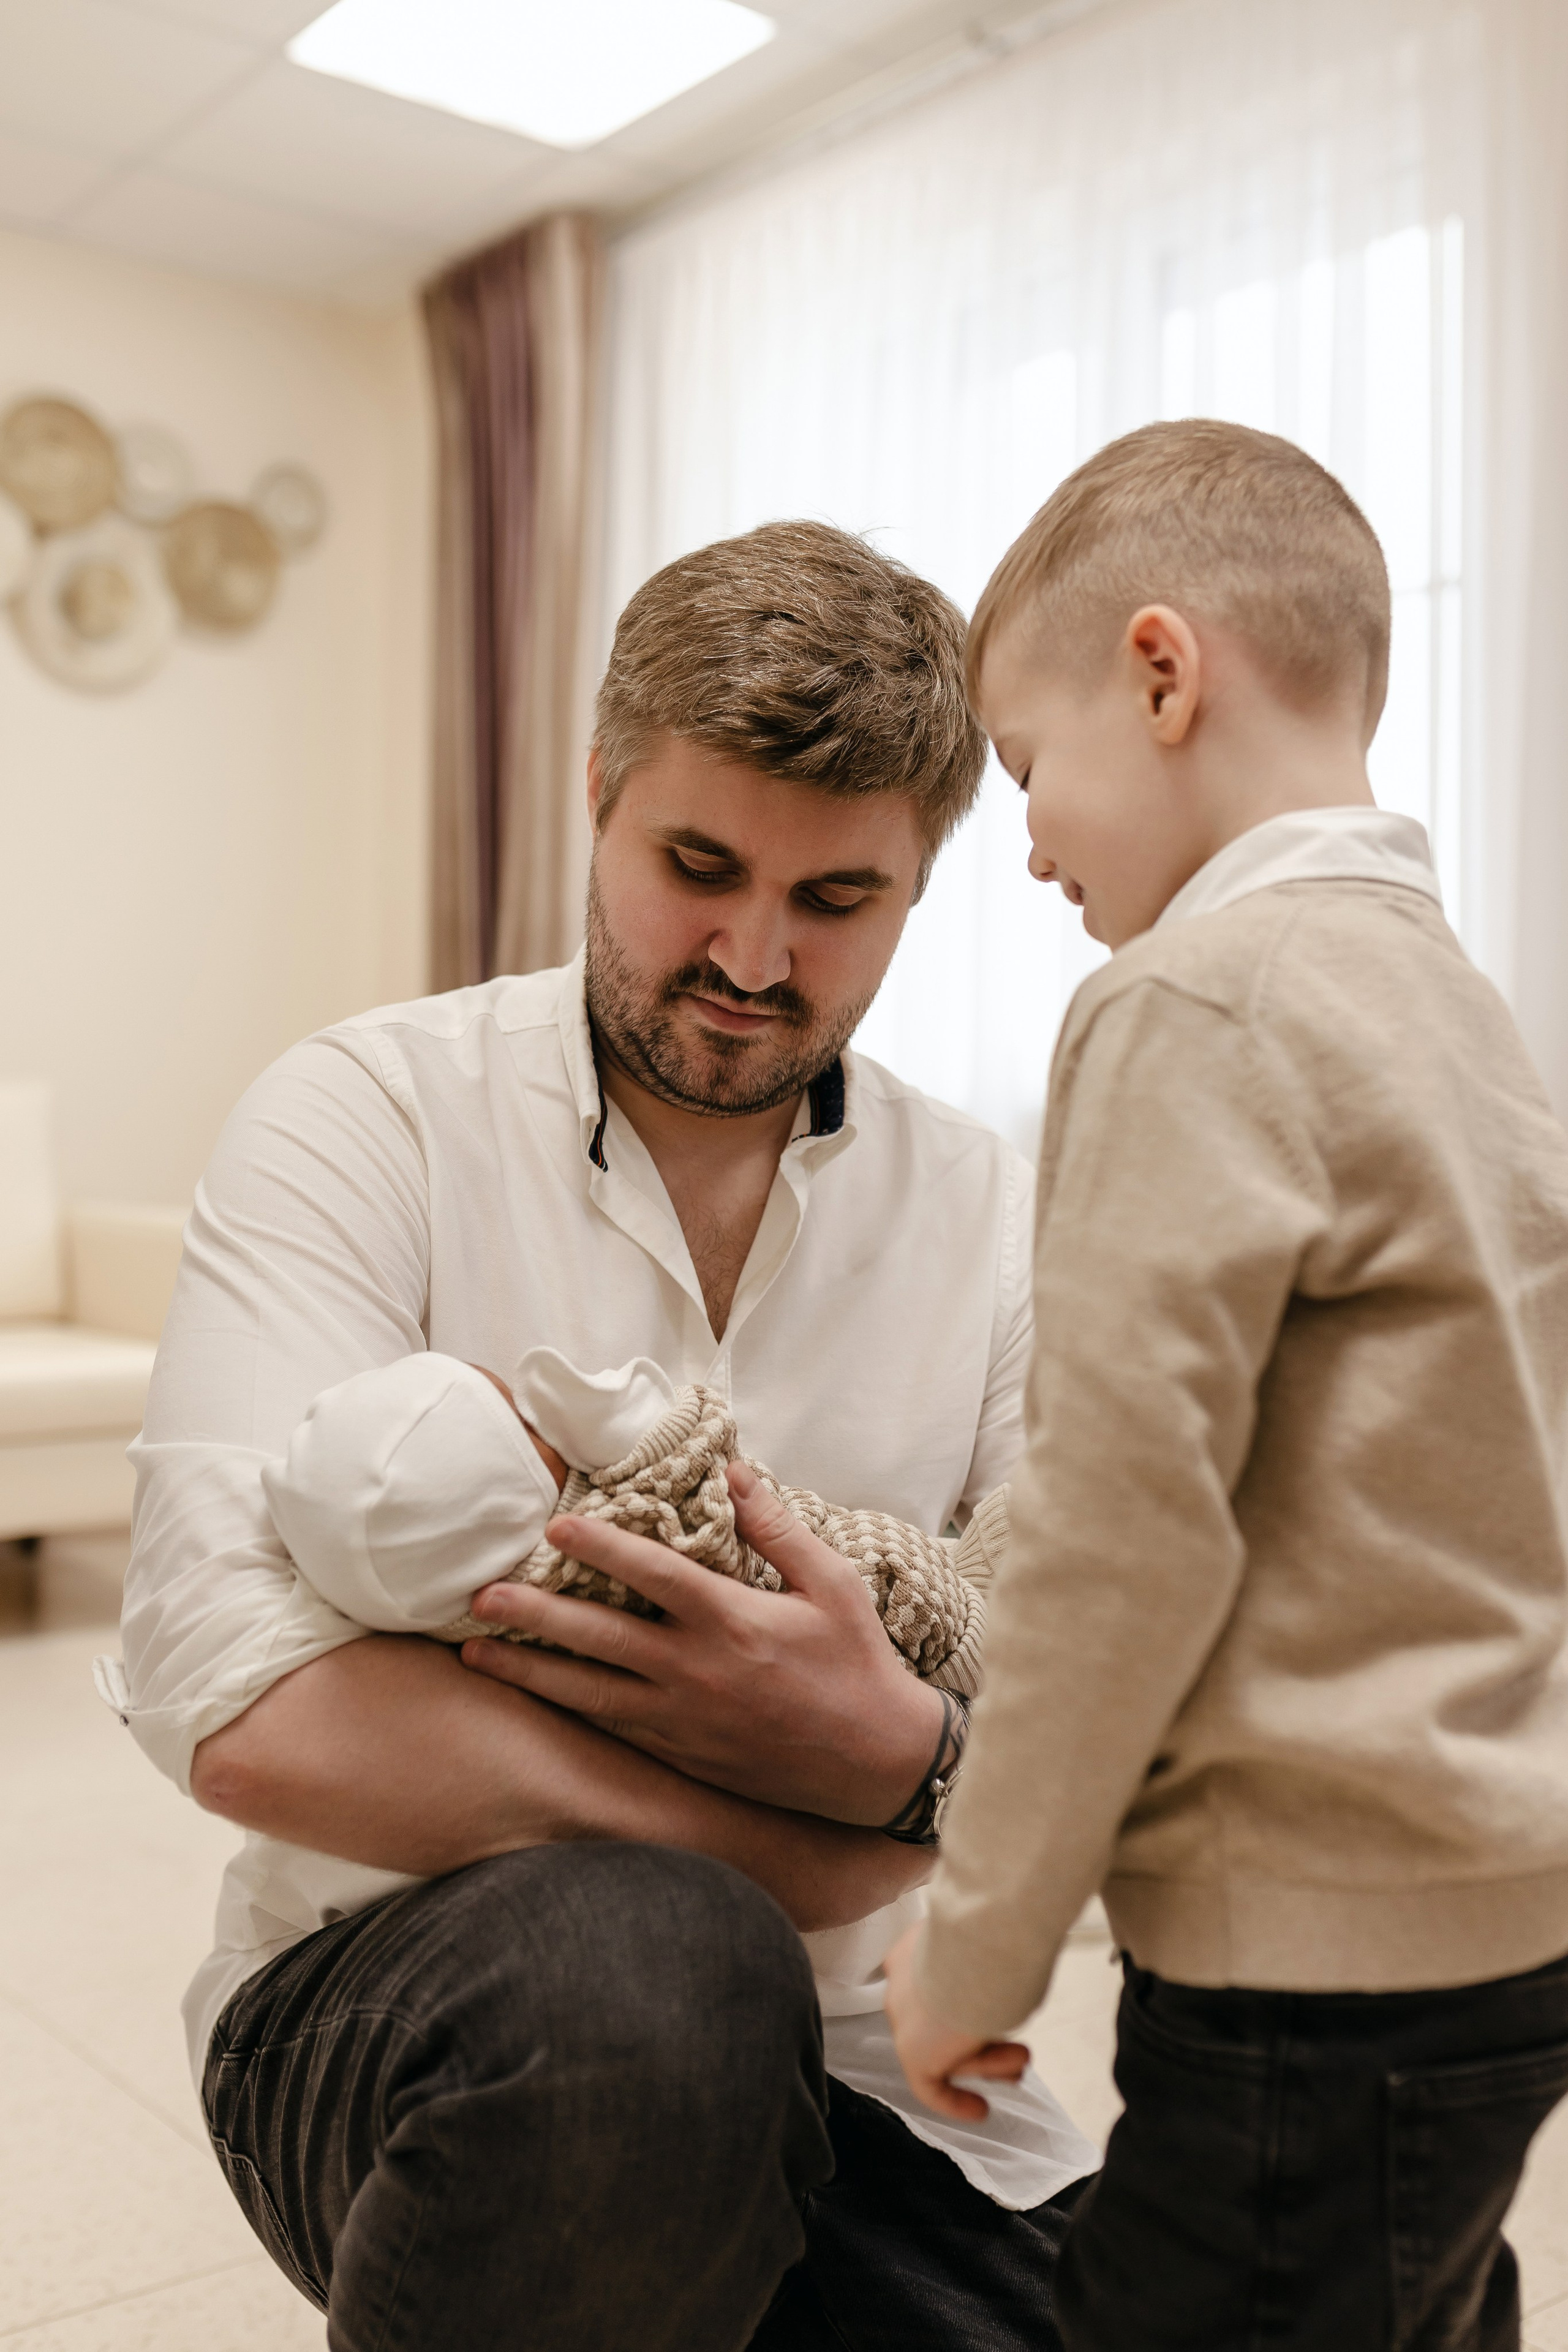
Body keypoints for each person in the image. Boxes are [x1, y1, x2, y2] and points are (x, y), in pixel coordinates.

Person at [106, 520, 1098, 2352]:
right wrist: (827, 1825)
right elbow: (239, 1707)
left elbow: (1080, 1718)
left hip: (890, 2070)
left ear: (921, 880)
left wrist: (906, 1770)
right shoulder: (367, 1115)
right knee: (663, 1973)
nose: (750, 954)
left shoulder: (999, 1220)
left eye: (837, 902)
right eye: (697, 865)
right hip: (403, 1998)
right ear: (596, 793)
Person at [883, 419, 1568, 2350]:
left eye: (1026, 766)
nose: (1020, 841)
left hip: (1309, 1943)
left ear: (1164, 674)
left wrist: (981, 1934)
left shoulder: (1190, 1002)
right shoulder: (1453, 1010)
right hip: (1501, 1901)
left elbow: (1118, 1533)